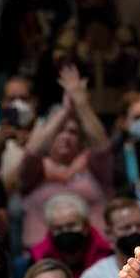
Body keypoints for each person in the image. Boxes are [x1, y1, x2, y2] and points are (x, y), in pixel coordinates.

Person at [19, 65, 113, 250]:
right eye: (59, 131)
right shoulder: (38, 167)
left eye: (72, 132)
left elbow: (102, 147)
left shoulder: (90, 162)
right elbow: (32, 152)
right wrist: (65, 111)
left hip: (96, 253)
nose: (66, 137)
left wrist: (81, 103)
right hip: (42, 256)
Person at [53, 0, 140, 128]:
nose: (93, 5)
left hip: (119, 105)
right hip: (84, 107)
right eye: (87, 0)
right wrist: (85, 47)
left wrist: (110, 47)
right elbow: (62, 67)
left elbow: (132, 65)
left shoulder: (122, 29)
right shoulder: (70, 32)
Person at [0, 76, 42, 255]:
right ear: (3, 102)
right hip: (3, 217)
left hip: (41, 213)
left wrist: (33, 148)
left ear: (34, 102)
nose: (17, 104)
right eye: (11, 99)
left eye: (23, 99)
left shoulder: (46, 135)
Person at [0, 0, 70, 110]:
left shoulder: (59, 4)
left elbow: (68, 37)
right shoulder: (12, 7)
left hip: (55, 80)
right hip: (22, 79)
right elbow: (4, 44)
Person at [30, 193, 112, 278]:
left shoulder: (106, 253)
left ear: (86, 226)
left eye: (71, 226)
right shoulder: (39, 259)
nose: (65, 232)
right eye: (58, 228)